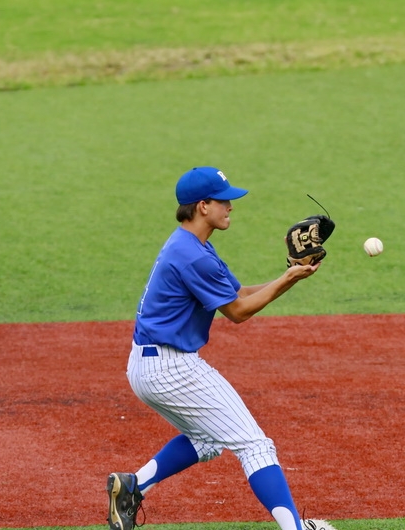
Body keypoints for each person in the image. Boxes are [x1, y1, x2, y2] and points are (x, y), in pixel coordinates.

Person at [106, 167, 321, 530]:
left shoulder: (191, 244)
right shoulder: (194, 256)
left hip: (147, 365)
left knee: (207, 440)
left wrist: (290, 272)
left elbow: (237, 294)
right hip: (170, 369)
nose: (230, 207)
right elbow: (237, 313)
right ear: (202, 206)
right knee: (255, 446)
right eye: (224, 201)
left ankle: (132, 487)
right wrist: (288, 278)